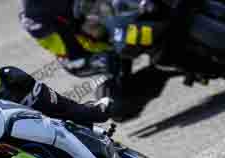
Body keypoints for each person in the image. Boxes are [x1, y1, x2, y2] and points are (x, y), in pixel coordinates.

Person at [19, 0, 173, 119]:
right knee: (115, 106)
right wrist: (102, 58)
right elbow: (74, 62)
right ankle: (164, 68)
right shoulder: (37, 16)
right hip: (115, 36)